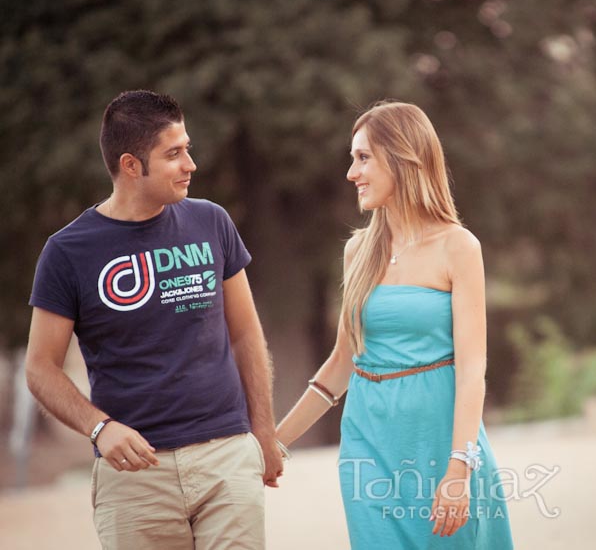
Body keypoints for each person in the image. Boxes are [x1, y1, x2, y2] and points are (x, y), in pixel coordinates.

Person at [25, 90, 284, 549]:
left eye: (187, 148)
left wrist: (262, 431)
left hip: (225, 456)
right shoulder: (67, 252)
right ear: (131, 165)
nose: (191, 164)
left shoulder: (212, 222)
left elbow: (245, 334)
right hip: (136, 478)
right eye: (174, 153)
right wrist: (99, 428)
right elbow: (40, 367)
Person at [275, 101, 514, 548]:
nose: (352, 173)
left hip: (440, 442)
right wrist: (275, 443)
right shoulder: (358, 251)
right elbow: (341, 365)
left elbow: (472, 370)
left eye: (363, 157)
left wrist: (460, 466)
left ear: (403, 159)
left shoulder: (458, 247)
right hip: (369, 444)